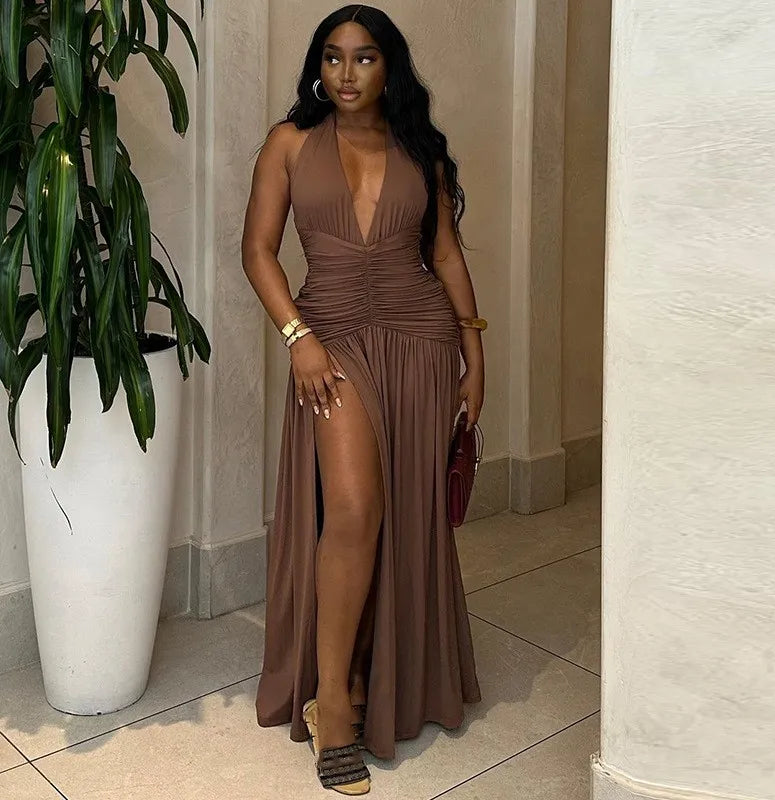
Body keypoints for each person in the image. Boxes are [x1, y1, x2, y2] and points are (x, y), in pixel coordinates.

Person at [241, 4, 486, 794]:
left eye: (366, 57)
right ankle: (336, 707)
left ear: (390, 68)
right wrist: (297, 337)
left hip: (420, 340)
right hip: (330, 336)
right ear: (319, 67)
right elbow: (257, 251)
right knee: (352, 508)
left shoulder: (420, 151)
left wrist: (474, 353)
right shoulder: (289, 143)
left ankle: (382, 675)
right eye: (334, 57)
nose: (347, 73)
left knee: (403, 510)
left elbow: (445, 256)